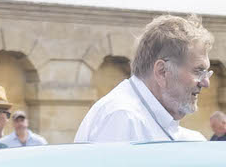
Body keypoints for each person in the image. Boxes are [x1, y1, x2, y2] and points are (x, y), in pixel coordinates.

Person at [74, 15, 213, 144]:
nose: (206, 82)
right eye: (198, 71)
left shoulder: (146, 118)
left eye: (207, 72)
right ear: (162, 72)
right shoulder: (123, 117)